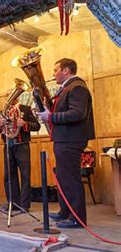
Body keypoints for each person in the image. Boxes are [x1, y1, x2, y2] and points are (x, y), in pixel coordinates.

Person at [36, 58, 95, 228]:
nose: (53, 74)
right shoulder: (68, 88)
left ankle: (77, 218)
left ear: (66, 71)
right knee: (63, 177)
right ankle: (65, 212)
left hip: (71, 139)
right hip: (64, 138)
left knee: (70, 178)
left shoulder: (77, 87)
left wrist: (50, 117)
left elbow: (77, 114)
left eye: (56, 70)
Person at [0, 90, 41, 211]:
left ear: (17, 97)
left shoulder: (25, 109)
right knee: (9, 175)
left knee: (25, 175)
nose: (10, 98)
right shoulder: (3, 111)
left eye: (12, 95)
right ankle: (12, 202)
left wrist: (25, 123)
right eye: (8, 95)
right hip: (8, 145)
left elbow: (37, 125)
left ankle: (24, 204)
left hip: (22, 145)